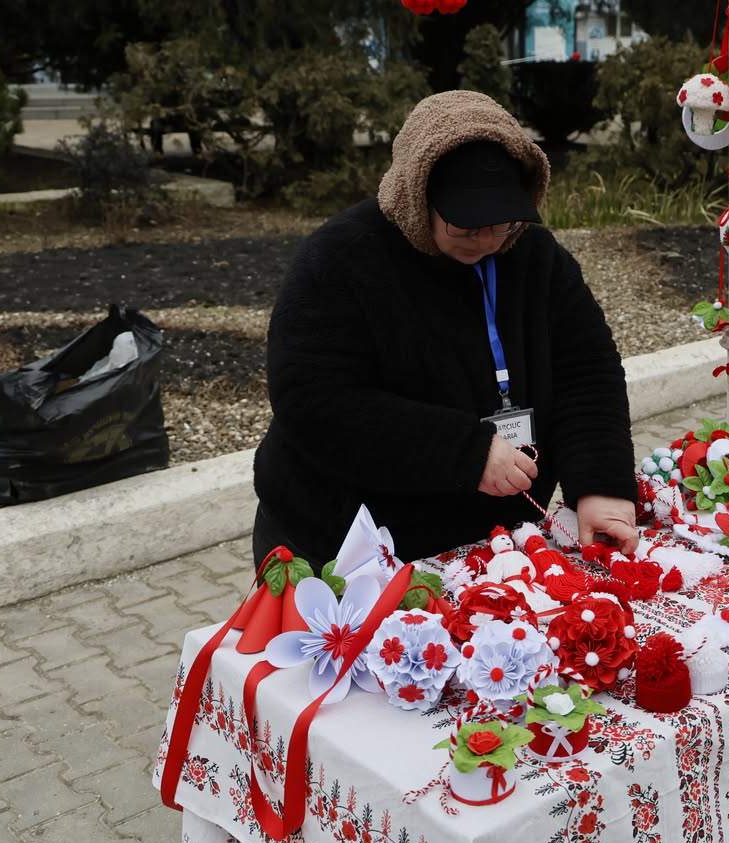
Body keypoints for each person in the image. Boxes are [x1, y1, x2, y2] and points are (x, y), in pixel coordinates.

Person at [251, 91, 640, 570]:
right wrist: (465, 453)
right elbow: (313, 401)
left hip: (491, 543)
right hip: (343, 545)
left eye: (502, 222)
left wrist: (601, 486)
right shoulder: (340, 260)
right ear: (418, 198)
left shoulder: (536, 257)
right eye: (466, 226)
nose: (487, 240)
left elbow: (587, 371)